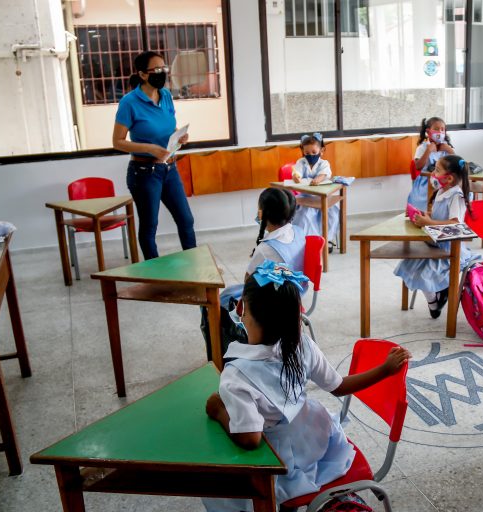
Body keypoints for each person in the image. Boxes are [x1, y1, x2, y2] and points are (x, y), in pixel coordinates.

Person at [203, 260, 411, 511]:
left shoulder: (235, 376)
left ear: (240, 308)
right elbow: (339, 386)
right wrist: (384, 370)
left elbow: (250, 438)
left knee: (215, 484)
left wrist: (219, 412)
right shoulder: (302, 345)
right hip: (315, 439)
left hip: (279, 461)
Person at [201, 187, 305, 359]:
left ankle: (221, 356)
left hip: (271, 302)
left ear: (262, 213)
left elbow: (248, 287)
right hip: (294, 293)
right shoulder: (299, 232)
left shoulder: (266, 249)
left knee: (215, 303)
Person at [112, 50, 196, 260]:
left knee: (186, 219)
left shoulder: (166, 95)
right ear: (142, 74)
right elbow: (118, 142)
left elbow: (169, 126)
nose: (162, 72)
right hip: (144, 173)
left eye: (164, 68)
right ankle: (154, 274)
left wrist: (178, 138)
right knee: (150, 227)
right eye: (156, 69)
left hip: (169, 168)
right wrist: (150, 148)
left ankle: (197, 268)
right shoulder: (129, 103)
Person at [394, 155, 479, 319]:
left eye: (437, 170)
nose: (433, 173)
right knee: (407, 266)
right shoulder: (442, 190)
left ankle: (435, 302)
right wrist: (424, 216)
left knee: (423, 275)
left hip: (448, 249)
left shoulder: (456, 196)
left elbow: (454, 223)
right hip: (433, 244)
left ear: (449, 178)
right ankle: (437, 298)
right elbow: (438, 215)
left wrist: (429, 222)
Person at [290, 133, 339, 253]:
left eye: (313, 152)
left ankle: (328, 239)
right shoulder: (301, 162)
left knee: (333, 211)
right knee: (305, 214)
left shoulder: (324, 163)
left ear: (321, 151)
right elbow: (297, 173)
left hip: (322, 195)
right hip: (306, 196)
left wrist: (319, 178)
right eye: (307, 153)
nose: (310, 155)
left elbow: (325, 173)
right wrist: (296, 177)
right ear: (303, 152)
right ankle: (308, 241)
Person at [407, 117, 455, 211]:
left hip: (444, 181)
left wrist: (450, 150)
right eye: (436, 129)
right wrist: (428, 151)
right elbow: (418, 166)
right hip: (426, 182)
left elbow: (456, 164)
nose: (440, 132)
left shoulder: (446, 147)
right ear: (428, 132)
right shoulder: (422, 148)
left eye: (442, 129)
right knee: (422, 203)